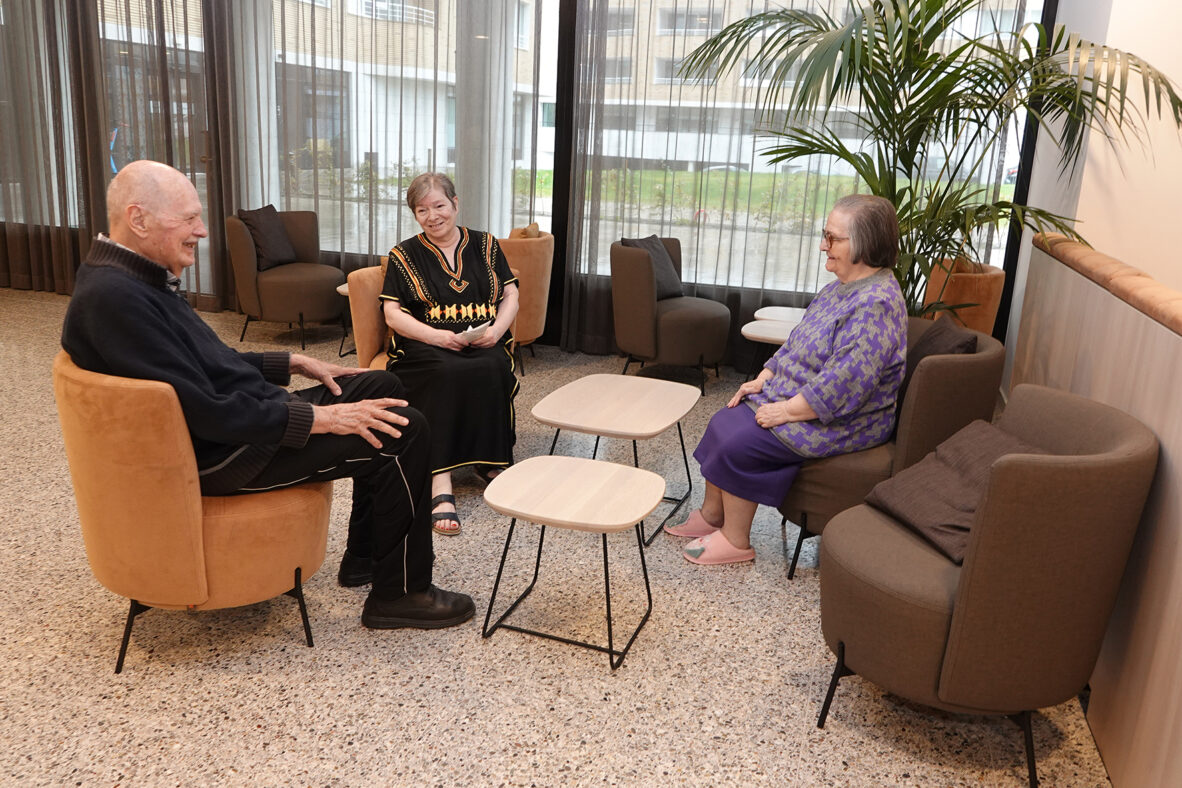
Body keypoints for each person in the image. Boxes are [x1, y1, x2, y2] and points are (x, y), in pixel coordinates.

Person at [61, 160, 474, 630]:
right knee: (404, 430)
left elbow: (202, 363)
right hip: (225, 452)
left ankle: (364, 558)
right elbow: (205, 412)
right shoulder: (118, 299)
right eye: (189, 218)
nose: (201, 231)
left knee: (382, 386)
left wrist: (289, 363)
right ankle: (400, 595)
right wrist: (324, 419)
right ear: (138, 219)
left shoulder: (134, 279)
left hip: (242, 424)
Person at [666, 194, 908, 565]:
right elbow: (798, 342)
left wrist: (787, 411)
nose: (823, 245)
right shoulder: (839, 288)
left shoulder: (876, 304)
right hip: (802, 396)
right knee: (723, 421)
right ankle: (713, 514)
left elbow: (844, 384)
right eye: (825, 235)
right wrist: (765, 377)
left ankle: (735, 540)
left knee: (742, 443)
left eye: (833, 238)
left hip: (846, 418)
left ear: (865, 243)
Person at [380, 173, 519, 536]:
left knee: (492, 365)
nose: (432, 216)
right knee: (444, 372)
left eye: (439, 206)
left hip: (482, 338)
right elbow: (392, 313)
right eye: (422, 210)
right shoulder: (403, 254)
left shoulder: (486, 245)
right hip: (424, 344)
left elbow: (510, 294)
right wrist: (437, 337)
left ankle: (490, 462)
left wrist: (496, 331)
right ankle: (439, 479)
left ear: (455, 204)